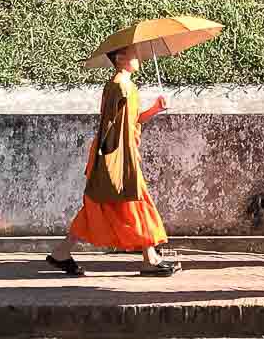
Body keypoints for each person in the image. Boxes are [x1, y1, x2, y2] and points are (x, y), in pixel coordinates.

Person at [45, 44, 181, 277]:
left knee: (99, 207)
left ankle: (61, 253)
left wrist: (156, 109)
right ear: (120, 58)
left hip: (119, 153)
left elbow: (133, 120)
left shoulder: (125, 86)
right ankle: (149, 259)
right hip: (116, 155)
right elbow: (110, 126)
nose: (138, 57)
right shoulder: (119, 86)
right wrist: (112, 161)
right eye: (133, 54)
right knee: (134, 202)